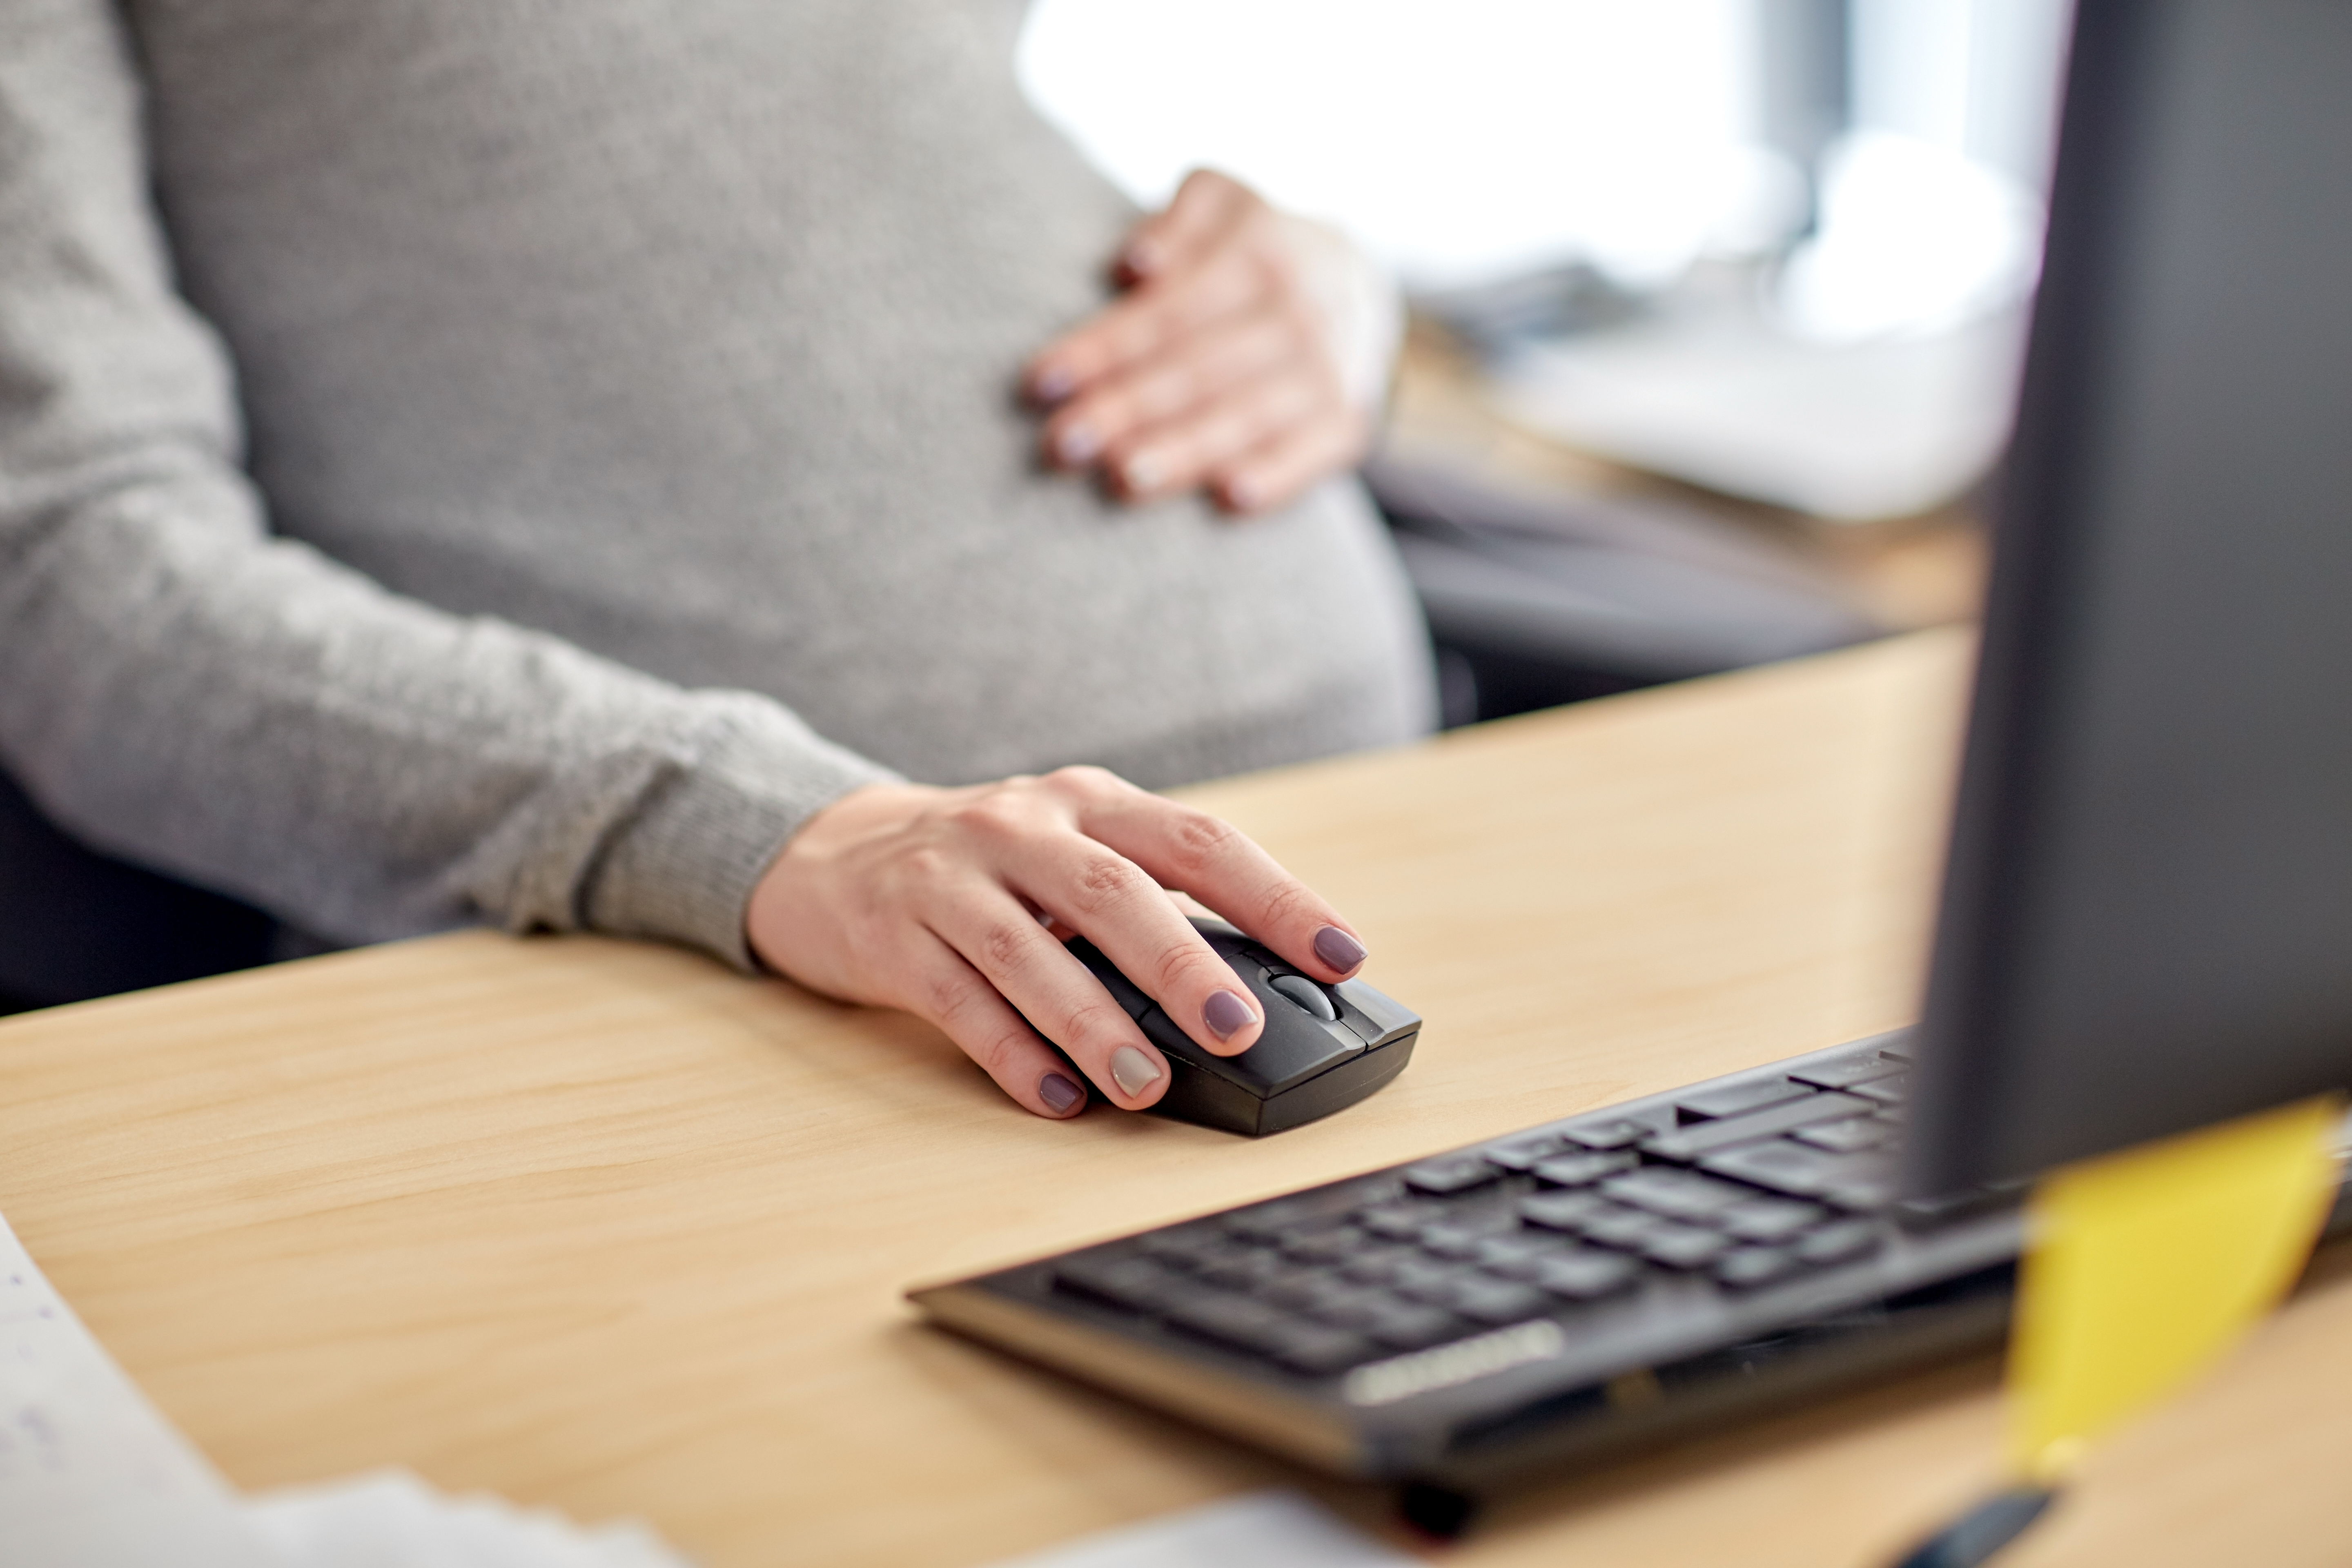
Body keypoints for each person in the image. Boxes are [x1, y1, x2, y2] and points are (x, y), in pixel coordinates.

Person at [0, 0, 1437, 1119]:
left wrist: (1327, 288)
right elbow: (75, 577)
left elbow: (859, 156)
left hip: (1407, 853)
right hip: (770, 1016)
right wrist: (756, 829)